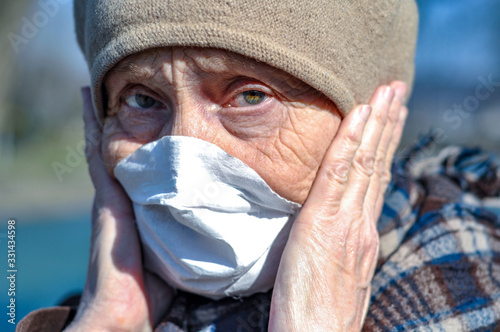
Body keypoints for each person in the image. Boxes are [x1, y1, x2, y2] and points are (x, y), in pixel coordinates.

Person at [18, 0, 500, 331]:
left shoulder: (457, 278)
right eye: (142, 99)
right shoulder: (96, 304)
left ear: (368, 118)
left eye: (250, 96)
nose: (181, 168)